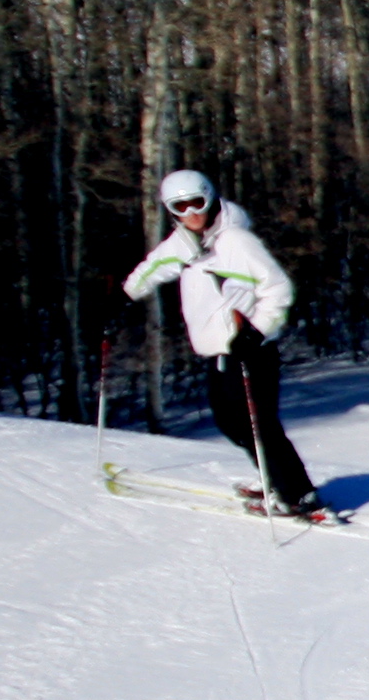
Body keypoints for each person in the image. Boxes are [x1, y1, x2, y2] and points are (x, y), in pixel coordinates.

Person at [123, 169, 320, 518]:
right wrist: (124, 295)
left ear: (210, 199)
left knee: (258, 424)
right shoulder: (185, 244)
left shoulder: (235, 242)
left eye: (196, 203)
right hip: (219, 352)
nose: (191, 213)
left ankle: (297, 495)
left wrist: (256, 331)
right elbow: (155, 267)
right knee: (231, 422)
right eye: (180, 207)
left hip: (251, 349)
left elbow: (279, 288)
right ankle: (274, 478)